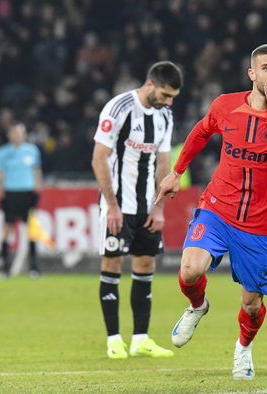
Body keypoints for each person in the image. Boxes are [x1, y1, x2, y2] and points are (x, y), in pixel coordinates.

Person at [155, 44, 267, 380]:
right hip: (218, 209)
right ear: (252, 74)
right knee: (189, 270)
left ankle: (243, 349)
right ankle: (197, 306)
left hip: (261, 225)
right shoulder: (226, 105)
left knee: (251, 305)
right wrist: (177, 171)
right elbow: (200, 132)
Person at [91, 61, 182, 359]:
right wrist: (112, 205)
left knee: (145, 267)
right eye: (165, 95)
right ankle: (114, 339)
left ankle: (141, 338)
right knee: (113, 264)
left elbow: (163, 164)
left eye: (172, 98)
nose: (168, 102)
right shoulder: (119, 108)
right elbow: (99, 159)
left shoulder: (165, 116)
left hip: (146, 207)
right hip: (117, 205)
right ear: (150, 84)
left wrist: (159, 208)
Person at [0, 122, 43, 279]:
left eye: (21, 133)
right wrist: (0, 190)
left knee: (31, 229)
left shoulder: (32, 150)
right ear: (10, 134)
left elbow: (37, 170)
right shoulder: (3, 152)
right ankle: (5, 267)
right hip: (10, 192)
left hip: (27, 192)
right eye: (15, 133)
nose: (18, 136)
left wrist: (38, 187)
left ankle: (34, 267)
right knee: (7, 228)